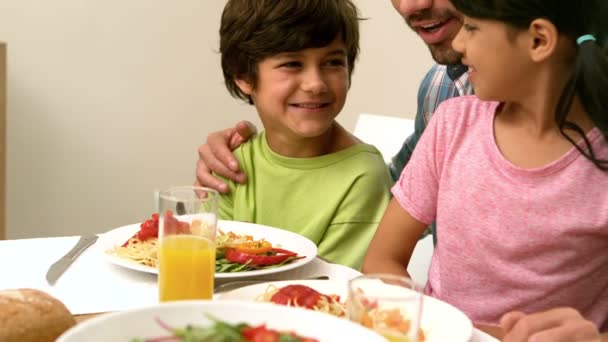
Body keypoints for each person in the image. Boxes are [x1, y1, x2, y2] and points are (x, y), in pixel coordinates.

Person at [362, 0, 608, 341]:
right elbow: (381, 259)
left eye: (472, 28)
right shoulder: (451, 124)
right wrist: (431, 324)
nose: (459, 43)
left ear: (538, 40)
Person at [212, 0, 392, 270]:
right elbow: (206, 266)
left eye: (332, 62)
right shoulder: (233, 163)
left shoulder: (363, 176)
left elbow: (328, 289)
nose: (315, 84)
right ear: (243, 75)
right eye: (292, 64)